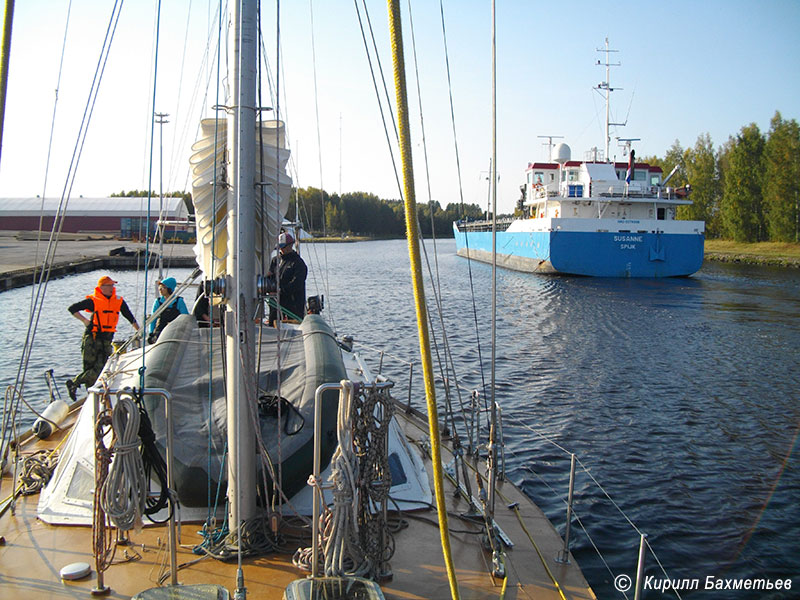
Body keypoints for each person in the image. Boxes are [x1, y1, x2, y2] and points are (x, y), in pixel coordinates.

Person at [66, 275, 140, 400]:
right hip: (92, 338)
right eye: (109, 285)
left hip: (107, 339)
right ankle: (89, 395)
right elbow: (72, 308)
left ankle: (75, 383)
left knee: (102, 368)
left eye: (113, 285)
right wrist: (84, 320)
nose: (112, 288)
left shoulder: (118, 300)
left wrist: (138, 330)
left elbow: (129, 315)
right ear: (102, 287)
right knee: (90, 367)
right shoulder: (93, 301)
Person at [267, 231, 307, 326]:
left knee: (294, 326)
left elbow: (297, 283)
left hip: (293, 304)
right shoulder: (275, 260)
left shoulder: (298, 263)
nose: (282, 249)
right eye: (280, 246)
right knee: (273, 324)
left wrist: (281, 290)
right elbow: (270, 277)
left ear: (291, 245)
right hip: (276, 303)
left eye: (284, 246)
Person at [148, 276, 189, 343]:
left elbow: (185, 318)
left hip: (175, 330)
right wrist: (151, 332)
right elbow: (153, 318)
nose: (160, 289)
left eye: (163, 288)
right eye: (160, 287)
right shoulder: (158, 302)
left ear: (170, 289)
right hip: (161, 330)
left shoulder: (179, 301)